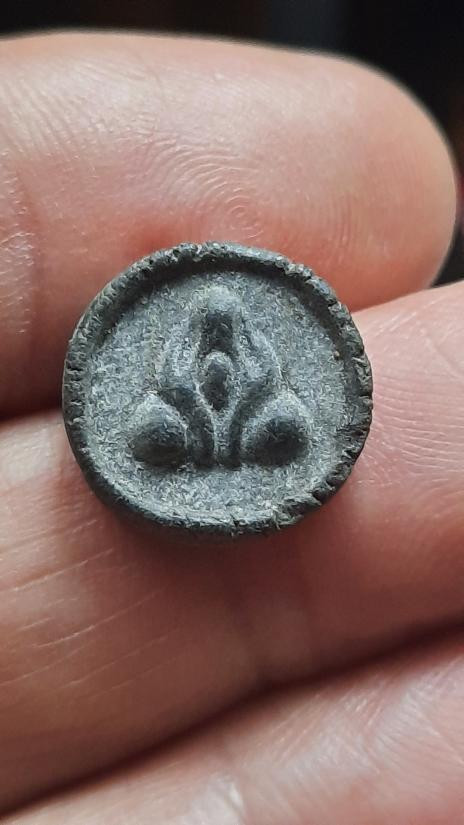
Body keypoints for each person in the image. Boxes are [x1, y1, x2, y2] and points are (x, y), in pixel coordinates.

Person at [0, 31, 462, 824]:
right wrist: (191, 415)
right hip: (187, 424)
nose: (217, 315)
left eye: (225, 313)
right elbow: (171, 393)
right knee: (155, 428)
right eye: (209, 313)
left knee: (284, 424)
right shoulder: (180, 348)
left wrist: (247, 417)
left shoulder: (257, 351)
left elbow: (268, 393)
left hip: (248, 425)